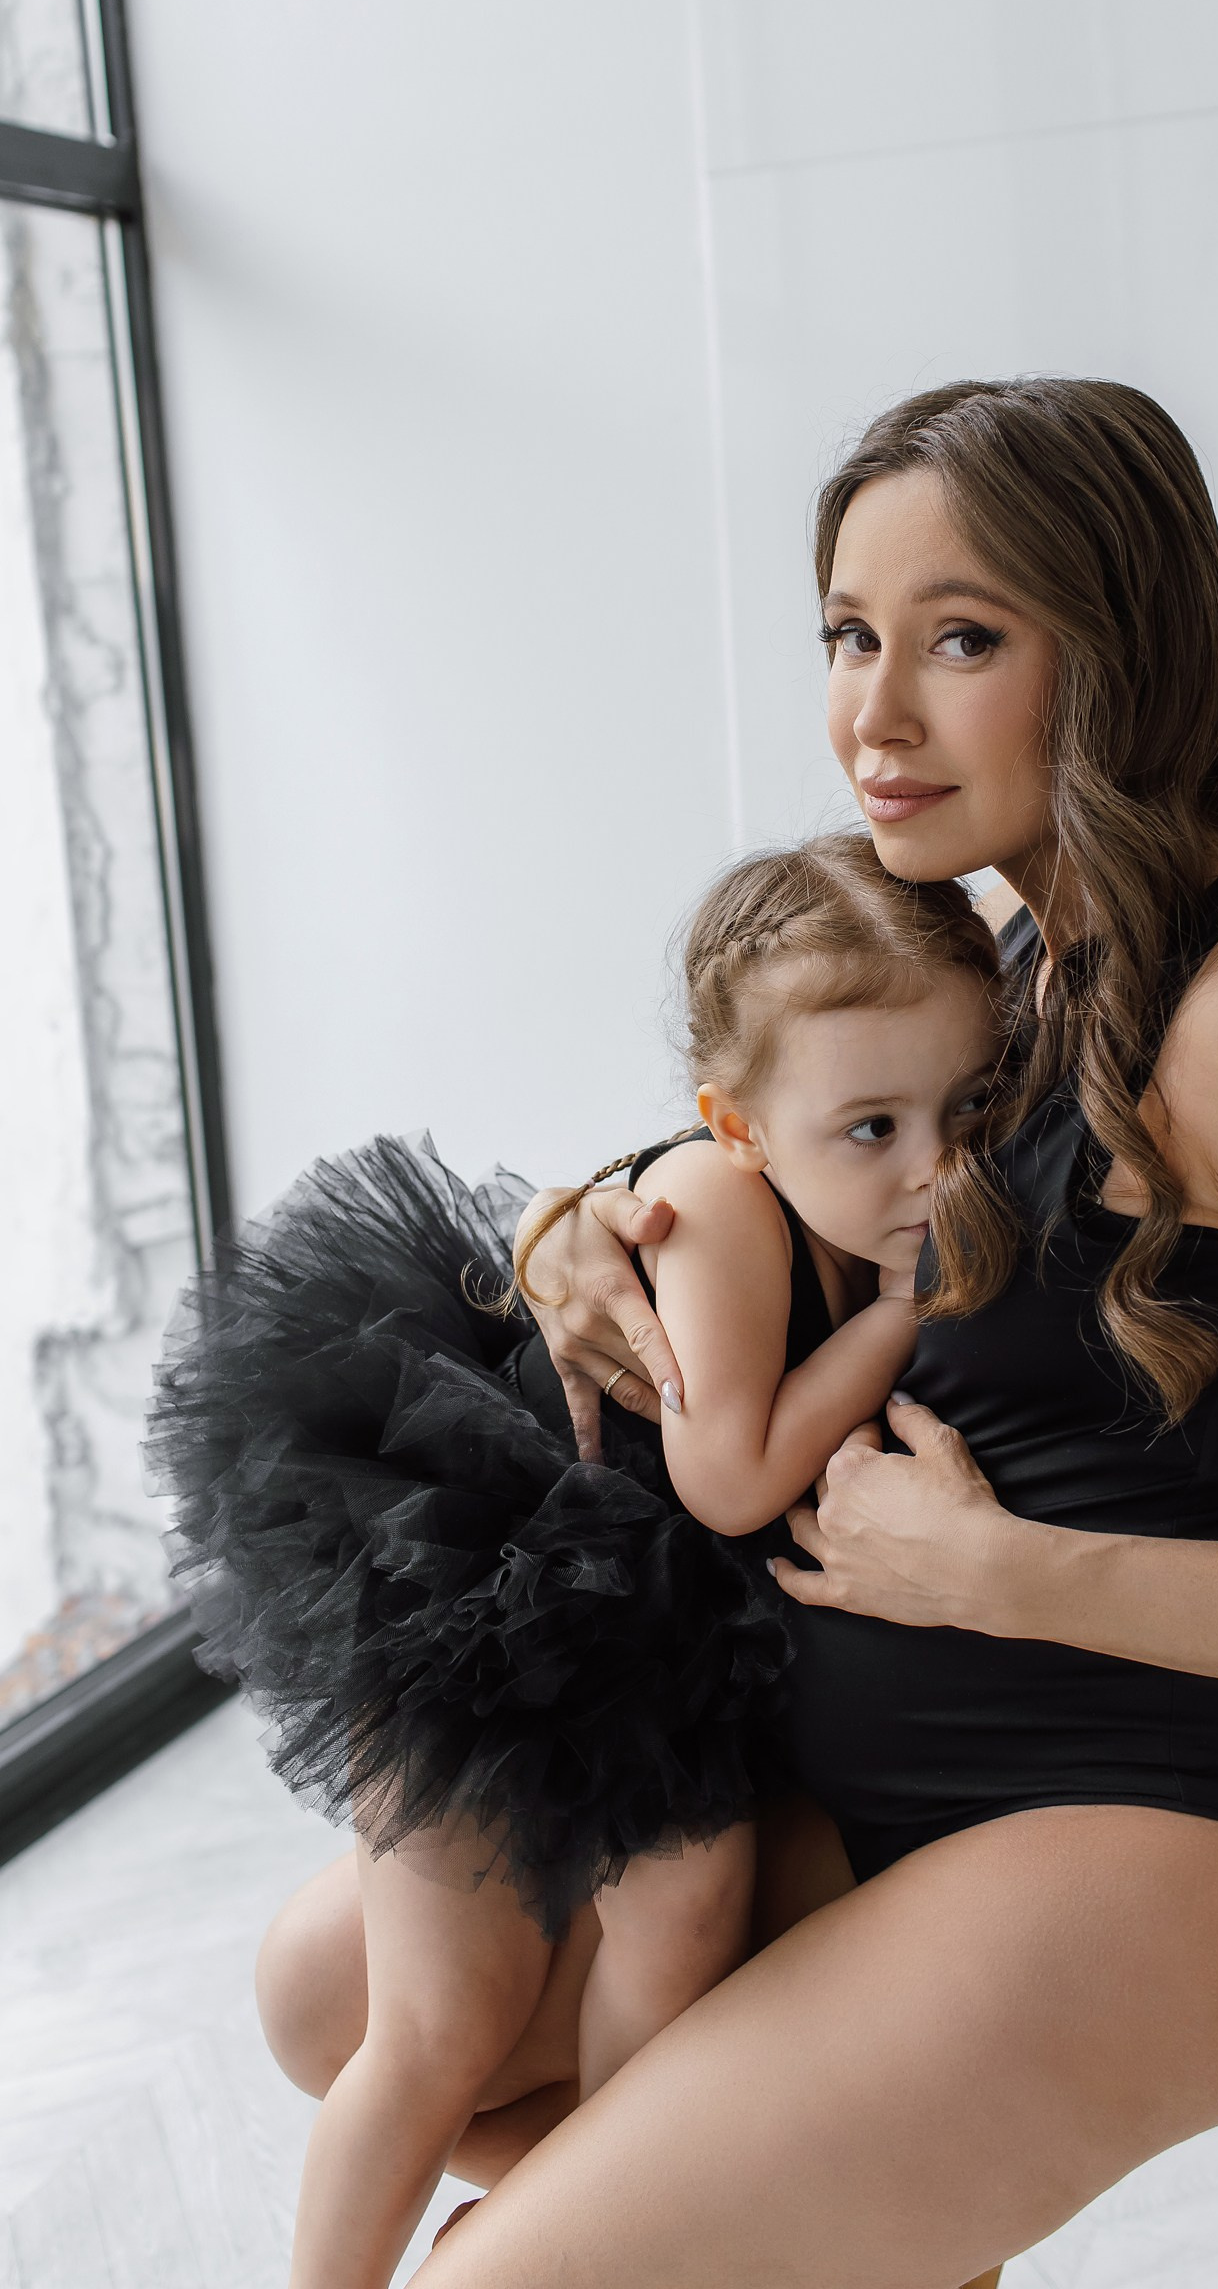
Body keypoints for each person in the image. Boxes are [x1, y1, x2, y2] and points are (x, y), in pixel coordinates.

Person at [258, 379, 1218, 2289]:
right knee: (337, 1998)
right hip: (903, 1793)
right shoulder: (1024, 952)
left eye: (961, 640)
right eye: (848, 636)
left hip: (1191, 1817)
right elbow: (811, 1155)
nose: (873, 717)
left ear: (1119, 655)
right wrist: (591, 1231)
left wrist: (1004, 1576)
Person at [150, 834, 1002, 2289]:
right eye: (872, 1127)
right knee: (435, 2027)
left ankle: (585, 2231)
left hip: (658, 1667)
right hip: (495, 1617)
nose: (935, 1166)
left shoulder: (862, 1200)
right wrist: (896, 1319)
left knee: (678, 1945)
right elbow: (726, 1477)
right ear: (738, 1124)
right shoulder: (716, 1205)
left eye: (967, 1108)